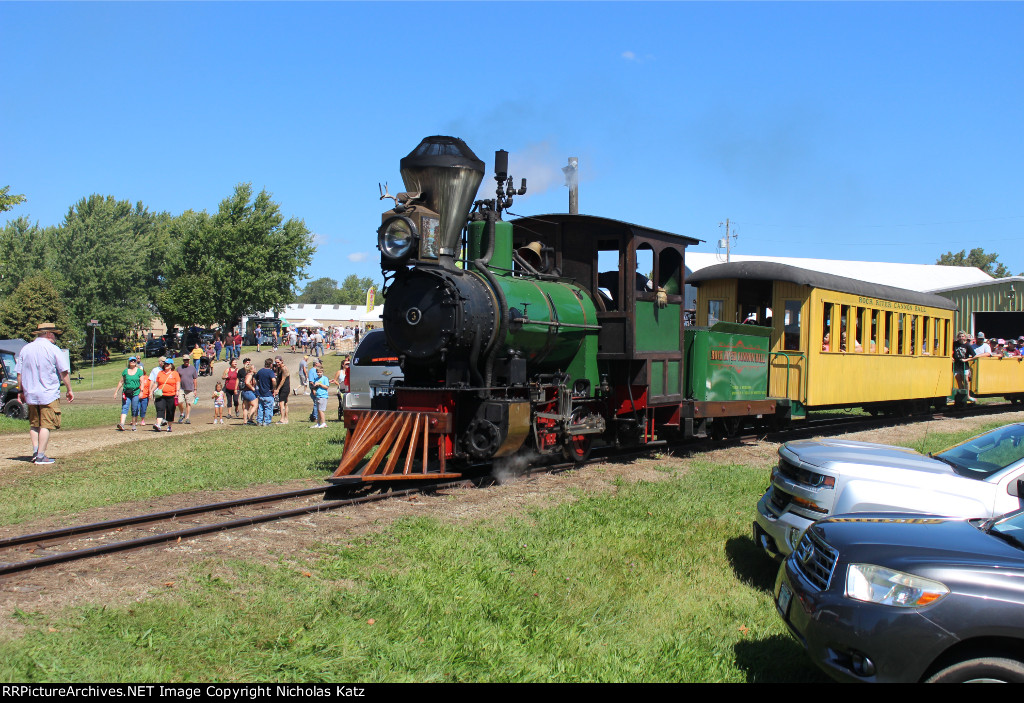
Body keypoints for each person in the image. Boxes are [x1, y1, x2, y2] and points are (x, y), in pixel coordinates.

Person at [16, 322, 74, 464]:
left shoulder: (25, 349)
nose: (55, 337)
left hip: (30, 393)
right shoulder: (53, 349)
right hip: (48, 393)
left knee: (34, 424)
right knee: (46, 425)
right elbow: (64, 371)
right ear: (48, 334)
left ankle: (36, 452)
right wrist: (69, 389)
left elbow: (19, 373)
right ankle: (41, 456)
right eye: (54, 334)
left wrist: (20, 390)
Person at [113, 356, 144, 431]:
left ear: (136, 362)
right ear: (129, 362)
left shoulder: (139, 371)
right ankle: (122, 424)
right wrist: (116, 392)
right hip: (126, 392)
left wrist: (141, 391)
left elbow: (142, 382)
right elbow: (121, 382)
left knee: (134, 408)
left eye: (134, 361)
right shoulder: (125, 371)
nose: (133, 362)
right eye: (131, 361)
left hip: (135, 392)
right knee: (125, 407)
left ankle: (134, 424)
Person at [153, 358, 181, 432]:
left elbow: (177, 383)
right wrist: (151, 391)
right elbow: (156, 383)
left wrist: (177, 391)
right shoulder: (160, 373)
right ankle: (158, 425)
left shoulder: (175, 373)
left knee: (170, 411)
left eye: (168, 364)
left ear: (171, 365)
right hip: (161, 395)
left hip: (171, 395)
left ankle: (169, 426)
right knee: (160, 409)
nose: (166, 365)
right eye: (165, 364)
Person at [952, 330, 976, 402]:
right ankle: (962, 395)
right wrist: (952, 357)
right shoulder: (955, 344)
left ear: (965, 337)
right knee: (958, 380)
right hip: (957, 364)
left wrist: (966, 360)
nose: (961, 338)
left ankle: (968, 395)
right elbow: (950, 351)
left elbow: (974, 356)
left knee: (965, 380)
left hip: (964, 365)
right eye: (959, 336)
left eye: (962, 336)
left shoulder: (967, 345)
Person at [254, 358, 277, 426]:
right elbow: (273, 380)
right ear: (271, 364)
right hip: (268, 393)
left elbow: (255, 379)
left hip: (261, 393)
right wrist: (274, 388)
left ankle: (259, 421)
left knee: (260, 408)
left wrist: (258, 386)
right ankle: (267, 422)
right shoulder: (270, 372)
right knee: (268, 408)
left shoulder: (260, 371)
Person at [308, 359, 329, 428]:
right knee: (318, 410)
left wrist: (320, 385)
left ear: (322, 372)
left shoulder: (325, 378)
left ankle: (324, 423)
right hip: (318, 395)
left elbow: (326, 387)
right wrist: (314, 387)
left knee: (321, 410)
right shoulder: (316, 379)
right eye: (317, 372)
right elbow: (314, 385)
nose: (319, 373)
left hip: (323, 396)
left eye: (320, 372)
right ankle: (318, 423)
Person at [179, 356, 199, 424]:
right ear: (183, 360)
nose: (186, 361)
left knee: (188, 403)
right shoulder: (179, 368)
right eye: (185, 360)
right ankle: (182, 414)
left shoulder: (192, 368)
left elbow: (195, 379)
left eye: (187, 360)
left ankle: (187, 417)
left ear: (189, 360)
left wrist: (195, 389)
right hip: (181, 388)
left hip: (190, 388)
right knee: (179, 402)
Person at [273, 356, 291, 424]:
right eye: (276, 362)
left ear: (282, 361)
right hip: (283, 388)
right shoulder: (278, 368)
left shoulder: (284, 368)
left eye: (278, 362)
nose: (277, 363)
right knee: (285, 403)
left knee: (281, 403)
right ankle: (286, 419)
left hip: (284, 388)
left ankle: (282, 419)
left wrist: (277, 389)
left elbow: (283, 380)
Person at [240, 358, 258, 425]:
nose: (255, 368)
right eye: (254, 368)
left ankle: (245, 421)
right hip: (248, 392)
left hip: (245, 392)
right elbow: (247, 382)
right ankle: (250, 419)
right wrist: (252, 388)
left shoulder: (248, 375)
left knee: (246, 407)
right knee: (255, 405)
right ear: (251, 369)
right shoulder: (250, 375)